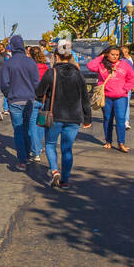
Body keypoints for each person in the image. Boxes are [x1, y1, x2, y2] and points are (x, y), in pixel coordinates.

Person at [34, 39, 92, 188]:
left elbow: (39, 93)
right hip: (74, 117)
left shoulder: (50, 72)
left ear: (56, 56)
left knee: (51, 144)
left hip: (54, 116)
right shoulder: (78, 74)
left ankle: (54, 171)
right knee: (67, 149)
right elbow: (85, 97)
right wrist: (87, 118)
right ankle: (65, 180)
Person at [0, 35, 41, 168]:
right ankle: (28, 155)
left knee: (18, 130)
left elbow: (4, 83)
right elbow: (36, 82)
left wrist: (8, 95)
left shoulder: (8, 63)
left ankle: (22, 160)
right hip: (29, 99)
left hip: (14, 100)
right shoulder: (31, 62)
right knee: (27, 128)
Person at [88, 45, 134, 152]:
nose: (115, 57)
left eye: (117, 55)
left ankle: (121, 143)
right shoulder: (101, 64)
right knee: (107, 119)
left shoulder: (125, 64)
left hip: (121, 97)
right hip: (106, 97)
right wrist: (101, 57)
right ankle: (108, 141)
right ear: (107, 54)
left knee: (120, 119)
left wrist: (125, 89)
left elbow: (132, 78)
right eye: (112, 54)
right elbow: (90, 66)